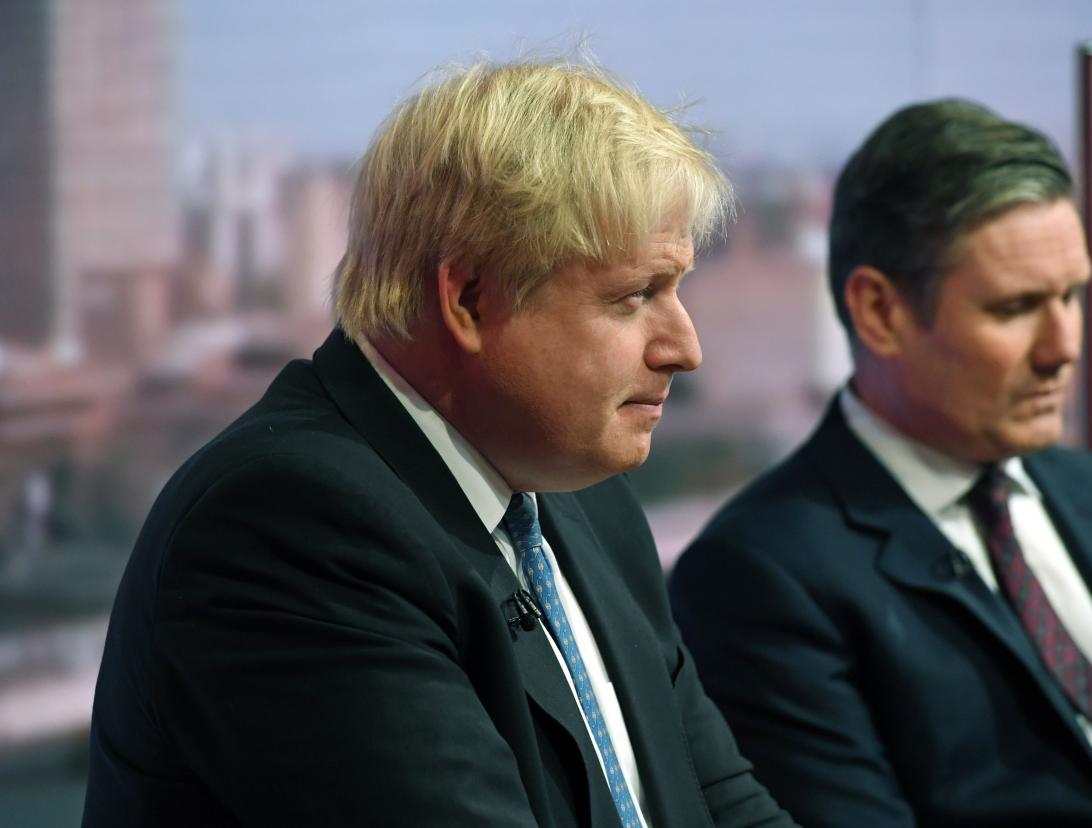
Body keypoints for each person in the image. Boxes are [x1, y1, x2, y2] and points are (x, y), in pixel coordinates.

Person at [83, 58, 795, 828]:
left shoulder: (586, 497)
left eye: (678, 289)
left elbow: (720, 800)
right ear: (468, 299)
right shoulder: (288, 526)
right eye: (633, 298)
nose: (685, 348)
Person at [670, 99, 1092, 828]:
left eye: (1072, 296)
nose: (1062, 346)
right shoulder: (760, 576)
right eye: (1015, 308)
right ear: (880, 312)